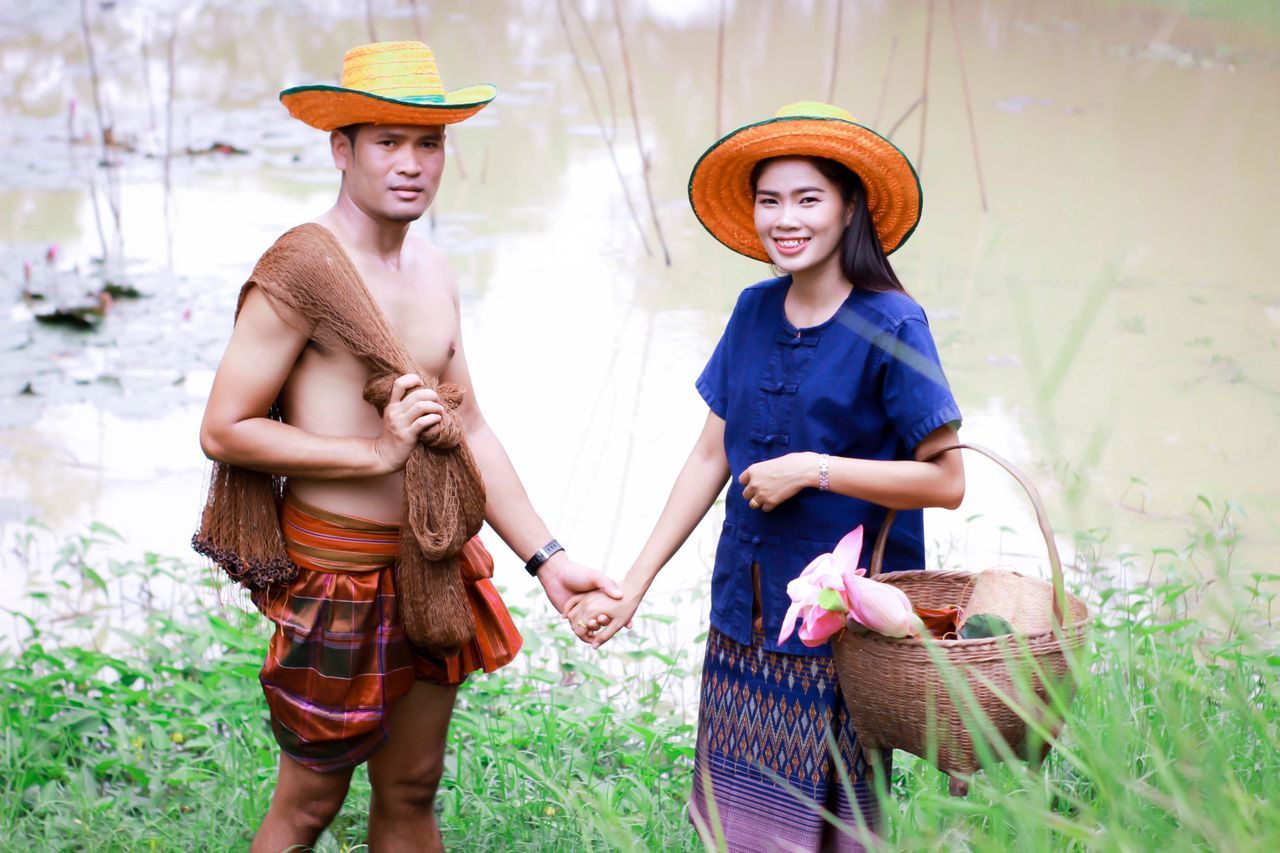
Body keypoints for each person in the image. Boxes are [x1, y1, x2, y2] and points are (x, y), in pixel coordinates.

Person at [193, 41, 621, 852]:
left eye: (429, 143)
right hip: (337, 572)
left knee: (414, 787)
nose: (412, 164)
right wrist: (375, 457)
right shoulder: (302, 269)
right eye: (388, 142)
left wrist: (549, 558)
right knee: (309, 805)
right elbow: (224, 428)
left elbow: (472, 431)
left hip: (430, 565)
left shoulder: (433, 270)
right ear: (341, 149)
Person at [567, 102, 965, 851]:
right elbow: (708, 456)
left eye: (809, 198)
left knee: (833, 827)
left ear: (850, 208)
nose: (786, 218)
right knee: (741, 826)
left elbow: (946, 480)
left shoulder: (895, 322)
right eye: (769, 199)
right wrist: (632, 585)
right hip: (744, 616)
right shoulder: (752, 310)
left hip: (845, 626)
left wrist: (813, 469)